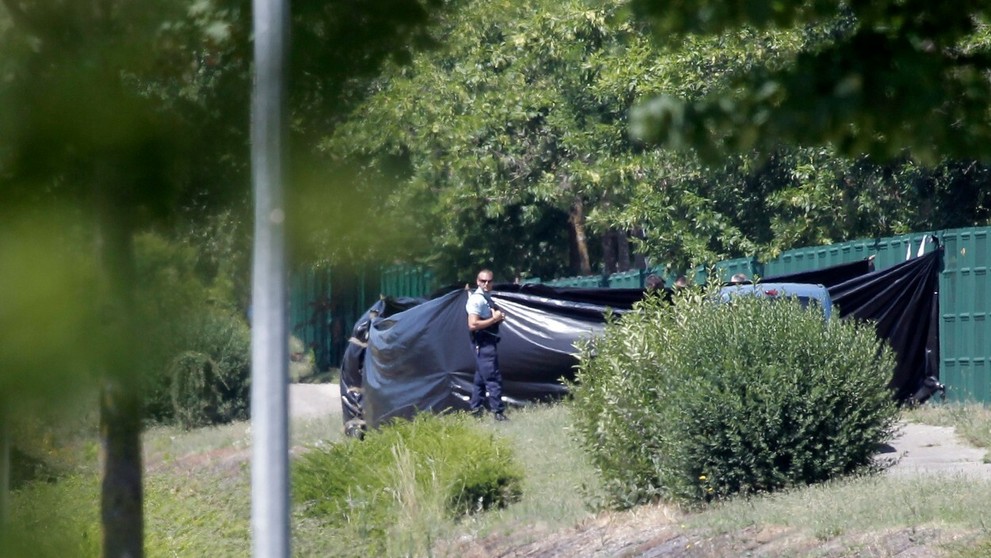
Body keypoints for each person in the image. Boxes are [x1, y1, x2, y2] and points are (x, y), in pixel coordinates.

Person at [466, 268, 508, 421]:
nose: (486, 284)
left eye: (489, 281)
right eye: (483, 281)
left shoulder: (485, 297)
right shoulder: (476, 300)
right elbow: (473, 324)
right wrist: (494, 320)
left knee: (480, 379)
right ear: (478, 281)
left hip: (488, 341)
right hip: (483, 342)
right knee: (492, 377)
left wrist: (497, 317)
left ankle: (476, 409)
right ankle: (498, 412)